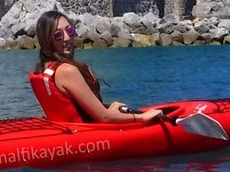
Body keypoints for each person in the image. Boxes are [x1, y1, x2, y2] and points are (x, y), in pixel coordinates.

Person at [28, 11, 165, 124]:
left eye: (69, 30)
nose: (66, 38)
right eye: (57, 35)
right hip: (87, 136)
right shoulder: (67, 71)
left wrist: (112, 107)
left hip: (70, 131)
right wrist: (141, 117)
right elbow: (104, 117)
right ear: (47, 40)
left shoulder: (42, 68)